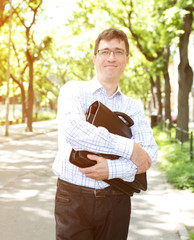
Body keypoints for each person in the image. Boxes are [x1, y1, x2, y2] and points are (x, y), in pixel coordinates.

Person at [52, 28, 158, 240]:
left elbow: (150, 154)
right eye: (105, 51)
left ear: (127, 59)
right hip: (72, 199)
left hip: (116, 200)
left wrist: (112, 169)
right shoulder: (74, 90)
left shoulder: (133, 107)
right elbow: (76, 131)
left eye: (118, 52)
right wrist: (130, 148)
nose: (111, 57)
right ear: (94, 58)